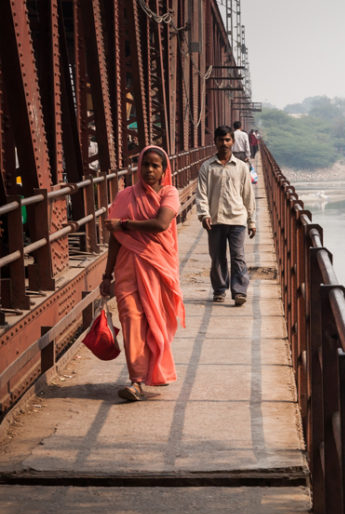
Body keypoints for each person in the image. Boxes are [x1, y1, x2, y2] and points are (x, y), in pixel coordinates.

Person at [100, 145, 185, 402]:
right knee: (131, 321)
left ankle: (155, 370)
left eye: (154, 165)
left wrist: (124, 224)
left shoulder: (170, 193)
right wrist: (106, 276)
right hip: (127, 268)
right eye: (144, 164)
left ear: (163, 170)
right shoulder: (125, 196)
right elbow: (115, 239)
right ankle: (136, 381)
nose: (149, 169)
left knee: (156, 322)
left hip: (159, 267)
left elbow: (160, 224)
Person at [197, 125, 256, 306]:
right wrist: (204, 214)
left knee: (238, 256)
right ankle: (220, 289)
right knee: (217, 257)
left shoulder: (241, 167)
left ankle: (239, 291)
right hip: (215, 219)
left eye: (227, 140)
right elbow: (202, 193)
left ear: (233, 141)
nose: (224, 143)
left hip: (237, 218)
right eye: (221, 140)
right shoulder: (207, 167)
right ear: (215, 141)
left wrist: (251, 221)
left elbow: (248, 194)